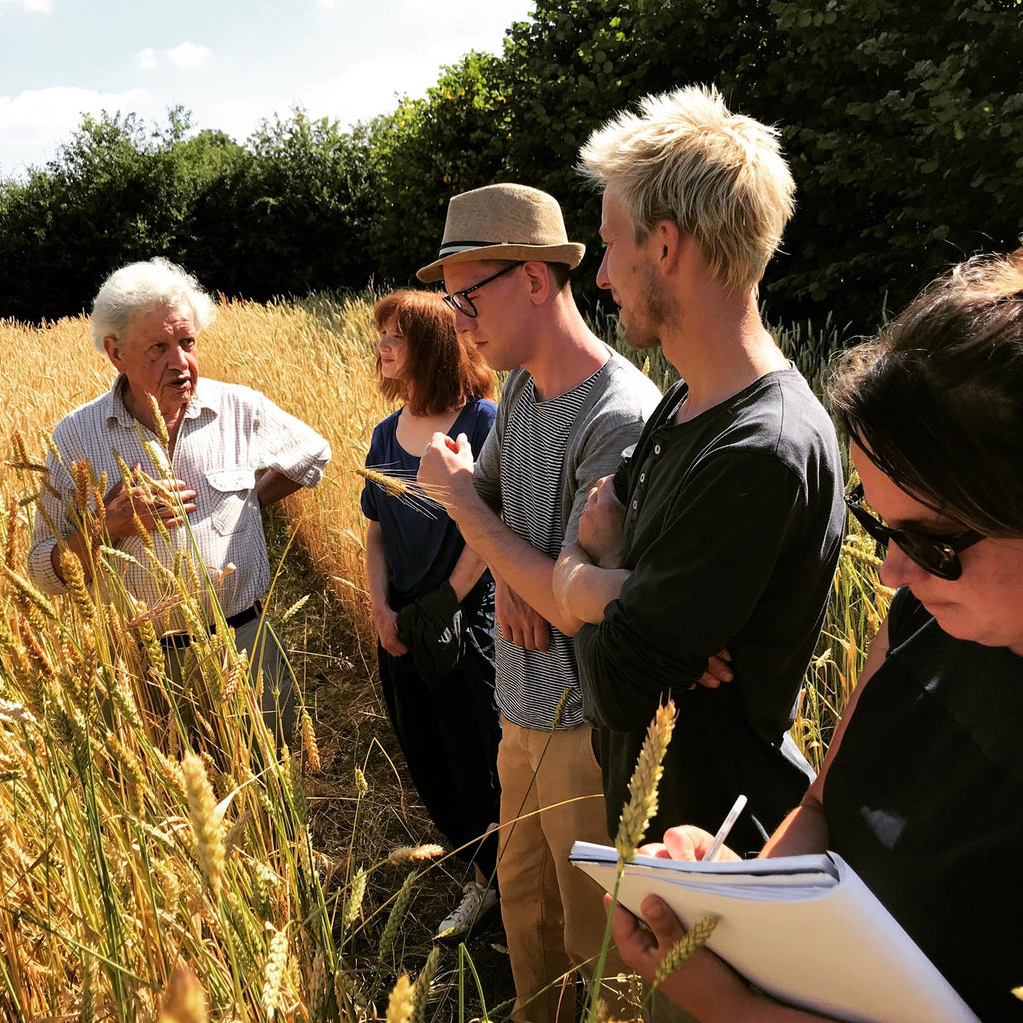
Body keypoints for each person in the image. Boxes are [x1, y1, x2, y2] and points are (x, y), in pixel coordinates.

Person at [609, 246, 1023, 1022]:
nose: (894, 575)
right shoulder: (921, 621)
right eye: (880, 527)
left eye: (932, 544)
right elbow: (822, 810)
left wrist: (731, 1006)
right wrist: (738, 895)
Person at [555, 85, 845, 853]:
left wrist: (587, 577)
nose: (604, 275)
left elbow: (616, 686)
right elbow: (591, 558)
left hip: (714, 854)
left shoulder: (760, 450)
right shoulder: (681, 402)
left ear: (666, 245)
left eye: (612, 244)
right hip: (658, 840)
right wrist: (612, 587)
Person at [416, 183, 662, 1023]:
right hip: (516, 709)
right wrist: (512, 563)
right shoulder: (519, 390)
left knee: (597, 945)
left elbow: (569, 601)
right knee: (526, 918)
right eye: (451, 301)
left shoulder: (619, 415)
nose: (459, 320)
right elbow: (500, 525)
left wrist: (489, 534)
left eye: (468, 295)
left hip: (582, 729)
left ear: (532, 278)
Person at [27, 257, 331, 739]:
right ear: (115, 352)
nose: (180, 362)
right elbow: (42, 570)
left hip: (245, 646)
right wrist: (109, 526)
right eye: (158, 347)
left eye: (187, 342)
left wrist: (248, 501)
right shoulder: (76, 436)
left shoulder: (237, 407)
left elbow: (312, 455)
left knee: (268, 780)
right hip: (143, 667)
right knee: (172, 804)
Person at [360, 289, 502, 940]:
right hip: (403, 629)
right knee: (425, 753)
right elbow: (376, 534)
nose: (383, 347)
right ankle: (478, 858)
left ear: (434, 346)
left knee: (477, 754)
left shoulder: (483, 421)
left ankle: (493, 882)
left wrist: (446, 599)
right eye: (381, 336)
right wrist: (381, 610)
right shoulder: (384, 435)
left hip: (466, 626)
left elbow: (488, 528)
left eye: (396, 336)